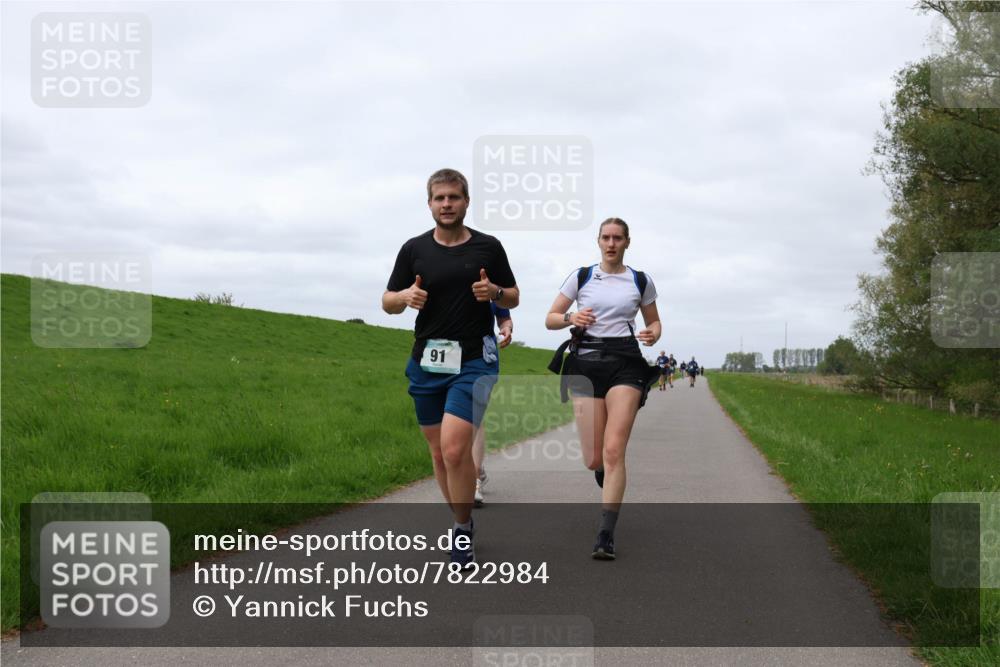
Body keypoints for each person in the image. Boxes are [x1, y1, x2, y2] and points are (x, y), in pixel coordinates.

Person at [382, 168, 519, 568]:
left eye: (453, 197)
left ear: (466, 202)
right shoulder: (413, 249)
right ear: (429, 204)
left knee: (455, 448)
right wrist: (405, 296)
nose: (446, 204)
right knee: (440, 455)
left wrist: (494, 292)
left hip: (474, 360)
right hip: (427, 360)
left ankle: (460, 531)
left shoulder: (488, 247)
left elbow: (513, 295)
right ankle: (463, 520)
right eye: (439, 198)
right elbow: (387, 302)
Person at [545, 217, 661, 560]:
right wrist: (571, 318)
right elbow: (551, 318)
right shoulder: (581, 276)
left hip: (626, 363)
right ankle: (602, 471)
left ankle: (605, 534)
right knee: (594, 458)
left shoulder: (640, 280)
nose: (611, 244)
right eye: (606, 238)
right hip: (586, 365)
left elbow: (654, 321)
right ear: (598, 241)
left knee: (613, 451)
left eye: (617, 238)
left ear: (627, 242)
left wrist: (653, 333)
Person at [472, 302, 513, 507]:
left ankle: (474, 480)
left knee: (475, 416)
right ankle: (475, 469)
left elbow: (504, 317)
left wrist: (506, 328)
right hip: (444, 355)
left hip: (481, 356)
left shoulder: (491, 286)